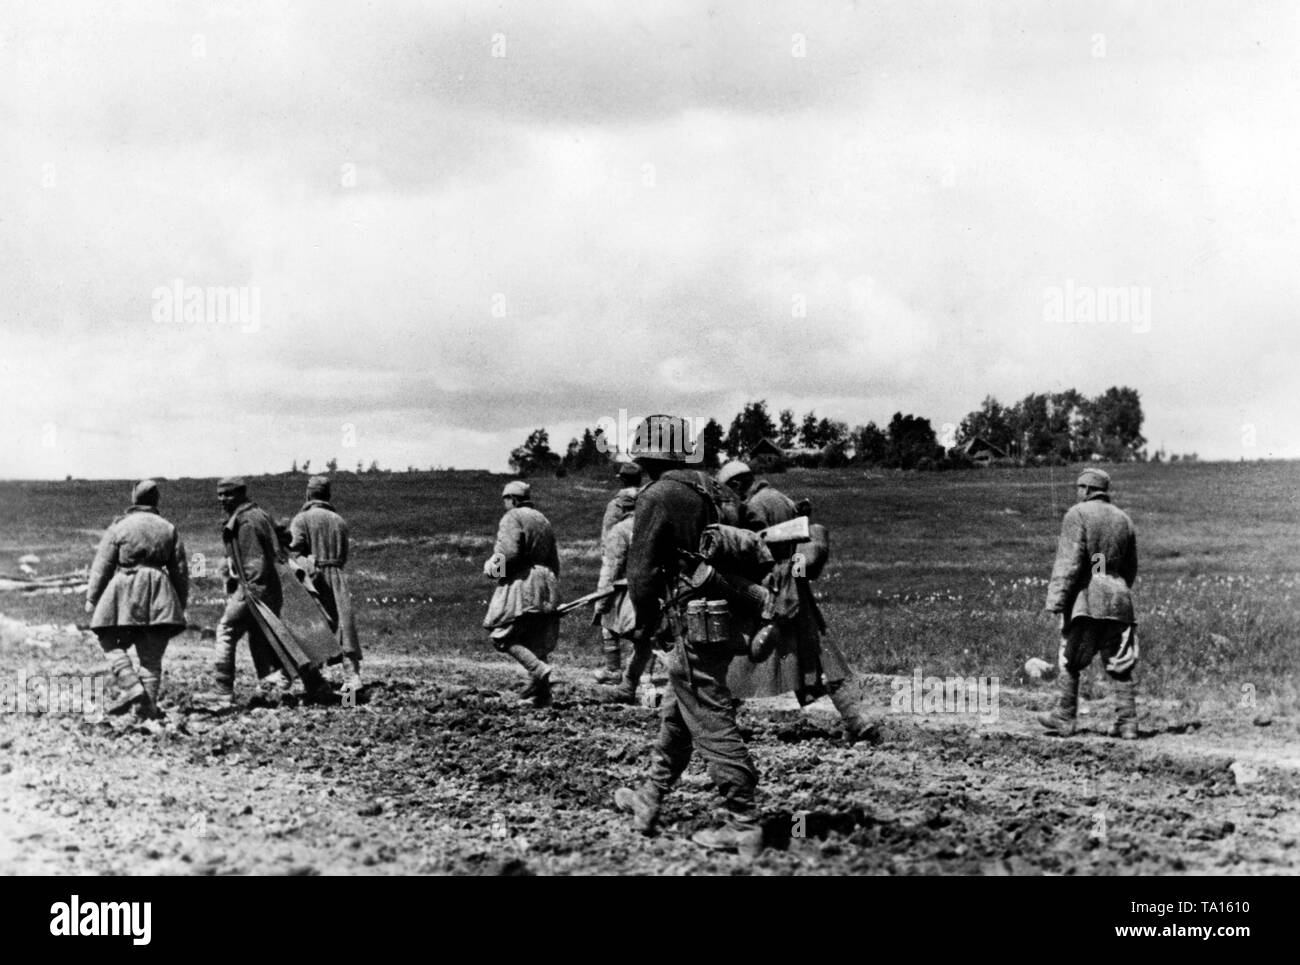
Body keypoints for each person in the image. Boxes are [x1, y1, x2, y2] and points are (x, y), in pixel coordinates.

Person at [613, 415, 763, 857]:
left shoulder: (659, 494)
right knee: (679, 712)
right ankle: (650, 798)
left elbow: (640, 572)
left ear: (644, 456)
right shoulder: (715, 488)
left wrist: (643, 622)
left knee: (710, 716)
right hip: (727, 615)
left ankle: (745, 824)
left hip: (691, 621)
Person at [716, 460, 879, 743]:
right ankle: (858, 719)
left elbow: (756, 552)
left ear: (736, 484)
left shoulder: (754, 507)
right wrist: (795, 574)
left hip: (771, 588)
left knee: (742, 654)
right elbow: (798, 552)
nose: (731, 499)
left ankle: (719, 722)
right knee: (819, 655)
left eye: (729, 492)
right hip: (795, 587)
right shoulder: (782, 498)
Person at [1039, 468, 1140, 740]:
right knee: (1119, 661)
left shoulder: (1077, 514)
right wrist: (1113, 586)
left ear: (1085, 488)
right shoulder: (1124, 519)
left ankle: (1064, 717)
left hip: (1087, 602)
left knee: (1071, 660)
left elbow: (1069, 562)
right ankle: (1127, 722)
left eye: (1078, 487)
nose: (1076, 492)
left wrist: (1056, 600)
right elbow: (1130, 567)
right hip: (1119, 600)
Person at [85, 480, 189, 719]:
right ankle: (147, 707)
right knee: (151, 657)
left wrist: (92, 598)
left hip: (124, 593)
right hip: (160, 593)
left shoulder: (120, 527)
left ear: (134, 499)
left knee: (108, 639)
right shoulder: (168, 528)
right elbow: (180, 570)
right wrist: (180, 603)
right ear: (156, 500)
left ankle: (131, 684)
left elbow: (102, 566)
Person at [194, 477, 295, 709]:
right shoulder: (258, 514)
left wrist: (250, 594)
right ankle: (268, 688)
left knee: (226, 630)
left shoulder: (246, 522)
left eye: (227, 494)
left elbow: (255, 563)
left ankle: (222, 692)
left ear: (240, 494)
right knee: (258, 637)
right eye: (219, 494)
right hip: (265, 587)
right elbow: (283, 537)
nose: (222, 499)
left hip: (253, 588)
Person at [483, 480, 562, 708]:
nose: (505, 505)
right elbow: (554, 559)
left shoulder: (512, 517)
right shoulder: (542, 520)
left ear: (514, 499)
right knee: (534, 636)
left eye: (506, 500)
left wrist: (491, 569)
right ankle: (542, 696)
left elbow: (508, 551)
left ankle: (539, 670)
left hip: (522, 580)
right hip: (545, 580)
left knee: (502, 634)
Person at [289, 475, 363, 692]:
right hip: (337, 577)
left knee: (309, 626)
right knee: (343, 626)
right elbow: (345, 554)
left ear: (309, 493)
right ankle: (352, 677)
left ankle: (311, 680)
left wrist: (307, 565)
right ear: (327, 495)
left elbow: (293, 550)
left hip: (313, 579)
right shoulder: (339, 521)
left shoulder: (301, 519)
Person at [593, 462, 642, 685]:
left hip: (621, 577)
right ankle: (644, 672)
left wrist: (601, 596)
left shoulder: (616, 507)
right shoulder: (650, 504)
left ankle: (613, 669)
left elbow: (608, 543)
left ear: (621, 479)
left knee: (609, 619)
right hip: (647, 577)